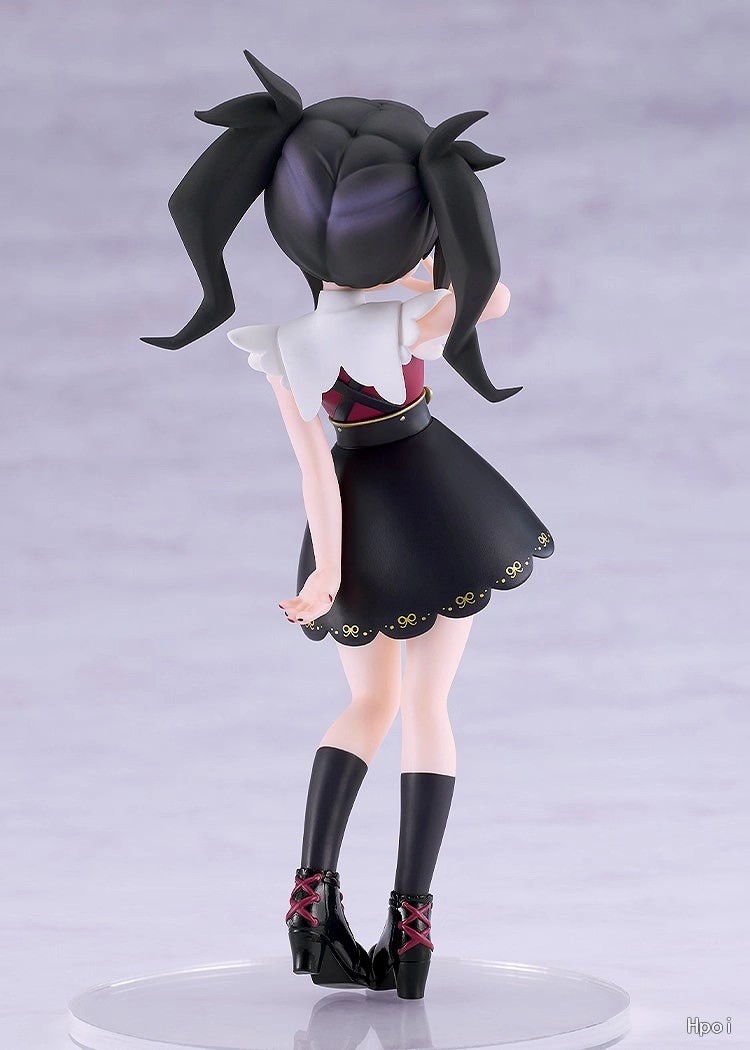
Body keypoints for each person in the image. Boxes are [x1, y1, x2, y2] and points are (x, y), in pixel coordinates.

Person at [143, 51, 554, 1000]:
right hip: (436, 507)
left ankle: (308, 901)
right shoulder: (406, 322)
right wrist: (431, 257)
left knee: (368, 705)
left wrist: (326, 573)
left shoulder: (286, 346)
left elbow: (313, 471)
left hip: (355, 516)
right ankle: (413, 929)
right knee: (428, 706)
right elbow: (490, 297)